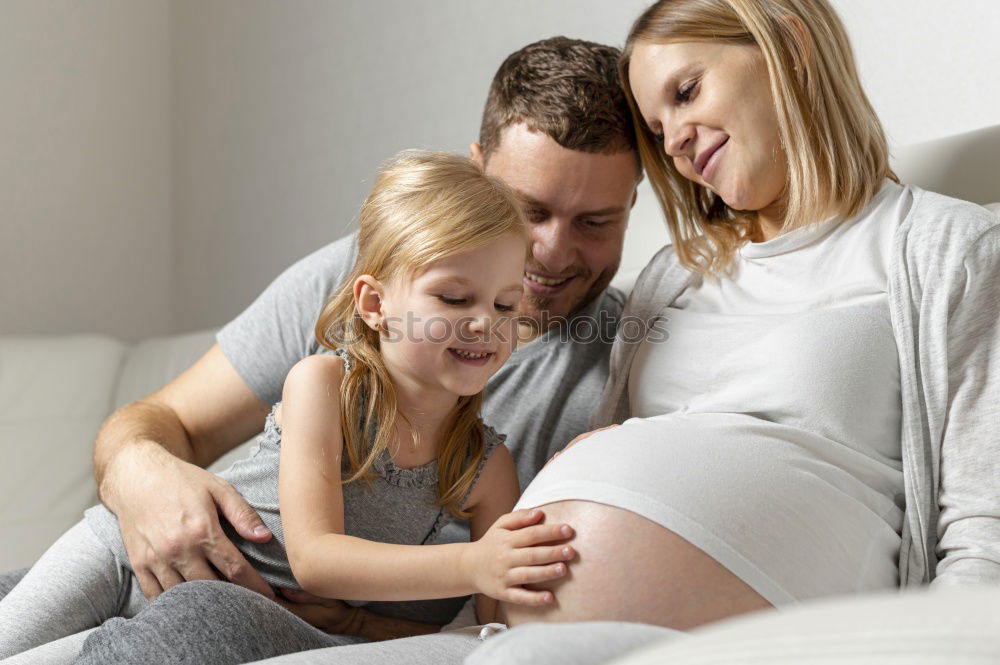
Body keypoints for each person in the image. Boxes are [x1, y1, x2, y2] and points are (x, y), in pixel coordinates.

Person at [0, 36, 641, 663]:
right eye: (529, 209)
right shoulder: (346, 312)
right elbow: (167, 424)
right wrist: (140, 473)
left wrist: (362, 619)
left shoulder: (626, 367)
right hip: (145, 563)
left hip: (258, 619)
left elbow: (500, 622)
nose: (550, 254)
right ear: (476, 173)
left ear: (634, 204)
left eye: (595, 221)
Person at [498, 0, 1000, 635]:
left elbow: (985, 529)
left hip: (751, 637)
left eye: (686, 92)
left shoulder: (948, 248)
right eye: (657, 129)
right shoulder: (670, 275)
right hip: (515, 618)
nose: (674, 139)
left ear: (788, 46)